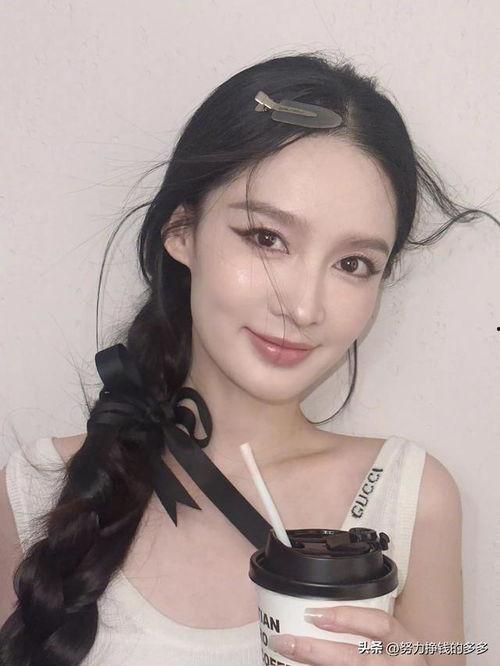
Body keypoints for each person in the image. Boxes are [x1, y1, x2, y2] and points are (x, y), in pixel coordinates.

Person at [0, 51, 494, 666]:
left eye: (352, 264)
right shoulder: (36, 486)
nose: (305, 307)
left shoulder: (412, 496)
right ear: (181, 229)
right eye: (267, 238)